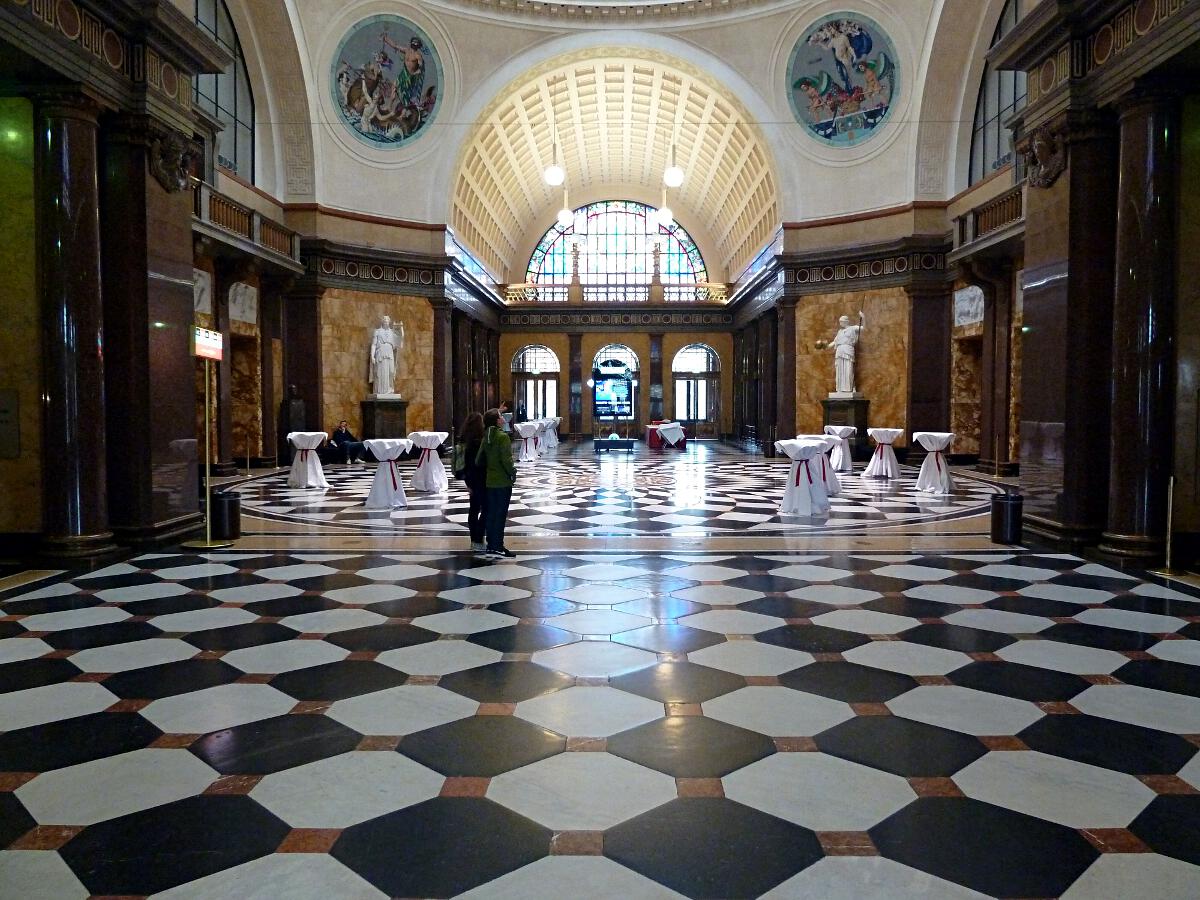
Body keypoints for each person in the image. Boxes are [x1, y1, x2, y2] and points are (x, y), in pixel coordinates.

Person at [477, 408, 517, 559]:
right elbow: (506, 460)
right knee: (500, 515)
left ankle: (491, 545)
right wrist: (512, 472)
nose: (503, 418)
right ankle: (498, 546)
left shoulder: (486, 437)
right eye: (500, 416)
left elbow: (479, 459)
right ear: (496, 420)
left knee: (491, 514)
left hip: (489, 482)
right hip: (502, 481)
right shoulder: (502, 437)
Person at [457, 412, 489, 553]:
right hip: (481, 478)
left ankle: (474, 540)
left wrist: (468, 483)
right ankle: (478, 538)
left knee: (474, 509)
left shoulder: (463, 440)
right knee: (486, 509)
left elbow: (464, 464)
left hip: (470, 479)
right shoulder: (480, 441)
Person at [821, 311, 866, 394]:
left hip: (848, 350)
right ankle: (841, 389)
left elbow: (863, 328)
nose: (840, 323)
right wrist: (826, 346)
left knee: (848, 370)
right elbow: (834, 342)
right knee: (840, 370)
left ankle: (850, 388)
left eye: (841, 322)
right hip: (839, 352)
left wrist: (863, 318)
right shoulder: (840, 332)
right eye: (840, 322)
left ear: (846, 321)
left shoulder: (853, 328)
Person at [369, 315, 404, 396]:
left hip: (389, 353)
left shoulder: (392, 332)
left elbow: (399, 341)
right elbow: (374, 344)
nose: (386, 321)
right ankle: (379, 391)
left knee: (391, 371)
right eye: (384, 319)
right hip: (380, 352)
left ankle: (389, 389)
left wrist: (401, 328)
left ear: (389, 322)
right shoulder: (377, 331)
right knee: (380, 371)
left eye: (387, 320)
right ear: (382, 321)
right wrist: (372, 356)